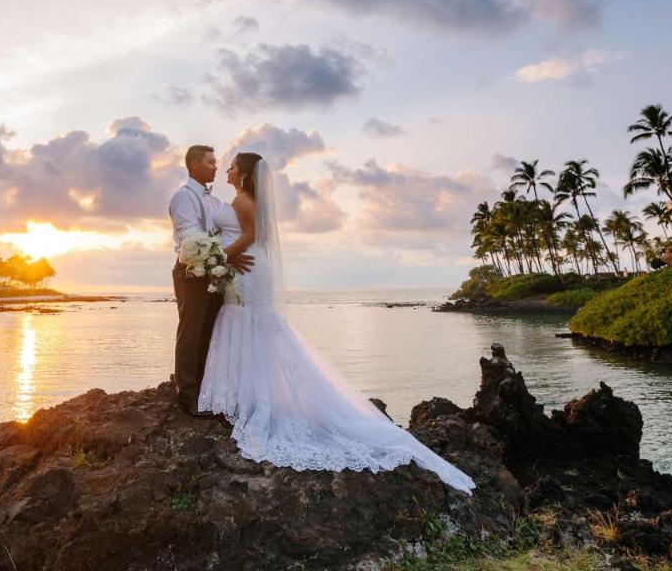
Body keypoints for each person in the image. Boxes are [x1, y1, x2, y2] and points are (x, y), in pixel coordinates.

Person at [196, 152, 475, 492]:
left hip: (246, 269)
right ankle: (251, 395)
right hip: (247, 267)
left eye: (232, 166)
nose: (227, 169)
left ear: (243, 174)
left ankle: (256, 400)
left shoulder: (242, 201)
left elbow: (253, 235)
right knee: (251, 327)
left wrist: (222, 257)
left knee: (249, 324)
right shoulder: (243, 198)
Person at [167, 144, 251, 417]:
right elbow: (191, 237)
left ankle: (204, 387)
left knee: (209, 331)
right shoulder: (184, 197)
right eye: (211, 162)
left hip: (214, 272)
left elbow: (220, 233)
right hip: (191, 273)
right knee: (191, 331)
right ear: (194, 165)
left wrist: (228, 256)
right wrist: (226, 256)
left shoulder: (213, 200)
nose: (217, 166)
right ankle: (187, 395)